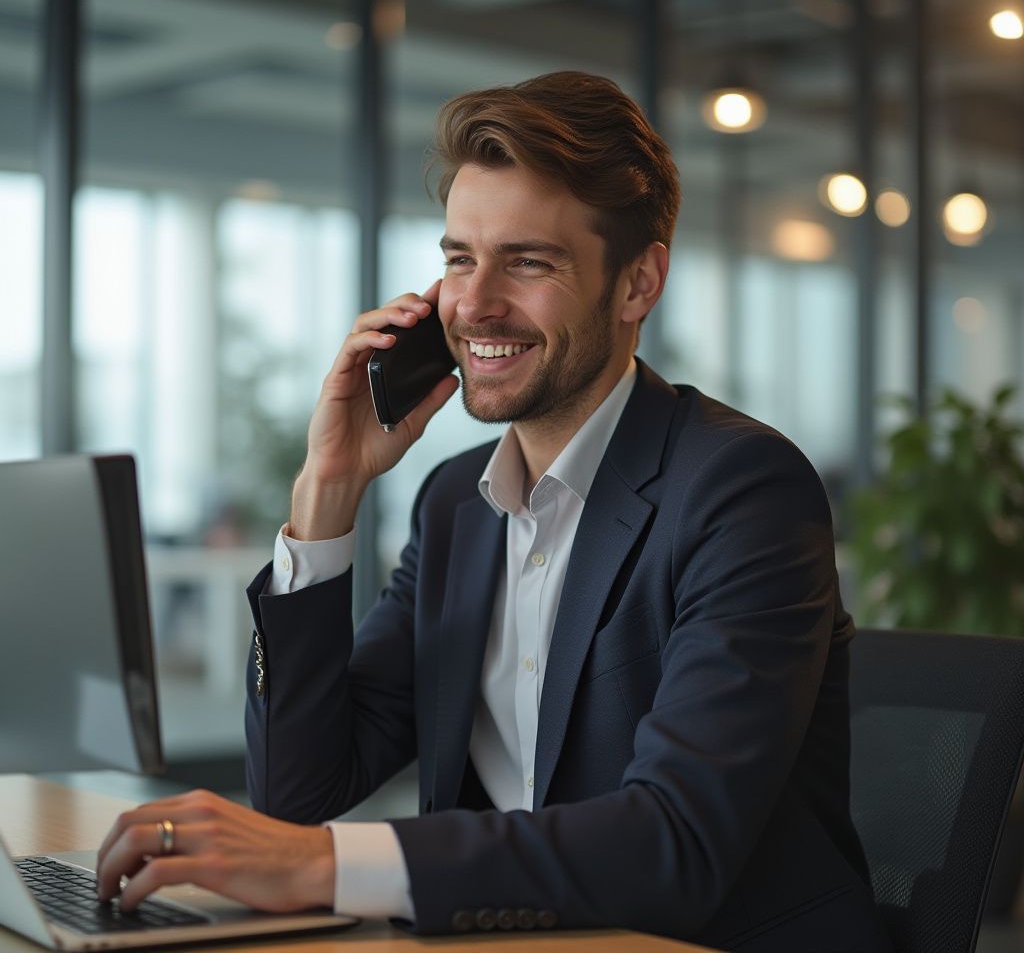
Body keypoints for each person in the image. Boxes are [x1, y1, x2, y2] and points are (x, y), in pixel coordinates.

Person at [96, 71, 892, 952]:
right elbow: (298, 791)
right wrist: (327, 492)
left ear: (637, 284)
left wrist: (324, 865)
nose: (473, 304)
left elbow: (677, 842)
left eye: (528, 262)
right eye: (459, 259)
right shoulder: (453, 507)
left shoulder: (741, 489)